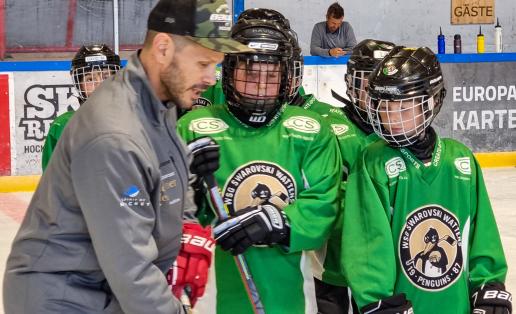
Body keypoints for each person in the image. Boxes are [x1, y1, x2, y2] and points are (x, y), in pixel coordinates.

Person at [3, 0, 252, 313]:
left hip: (101, 290)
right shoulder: (115, 135)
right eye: (203, 63)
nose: (211, 78)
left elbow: (168, 177)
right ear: (163, 49)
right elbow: (131, 271)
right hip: (66, 299)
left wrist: (186, 230)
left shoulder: (156, 103)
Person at [177, 16, 342, 314]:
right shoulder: (194, 128)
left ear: (286, 77)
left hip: (291, 300)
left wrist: (279, 222)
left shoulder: (310, 131)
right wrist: (193, 192)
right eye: (250, 75)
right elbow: (169, 214)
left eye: (271, 75)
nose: (261, 87)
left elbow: (325, 204)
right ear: (229, 71)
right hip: (213, 300)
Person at [341, 46, 511, 314]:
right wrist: (376, 299)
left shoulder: (461, 160)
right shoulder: (372, 162)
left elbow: (482, 231)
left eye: (405, 107)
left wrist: (488, 284)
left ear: (431, 103)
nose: (393, 118)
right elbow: (366, 241)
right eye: (387, 107)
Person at [304, 38, 395, 314]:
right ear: (352, 82)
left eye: (381, 84)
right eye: (367, 82)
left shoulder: (401, 133)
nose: (374, 92)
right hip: (333, 264)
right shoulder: (329, 129)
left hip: (383, 265)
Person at [41, 44, 121, 171]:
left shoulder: (133, 120)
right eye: (90, 79)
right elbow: (53, 180)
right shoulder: (62, 126)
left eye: (106, 77)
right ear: (80, 86)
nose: (99, 84)